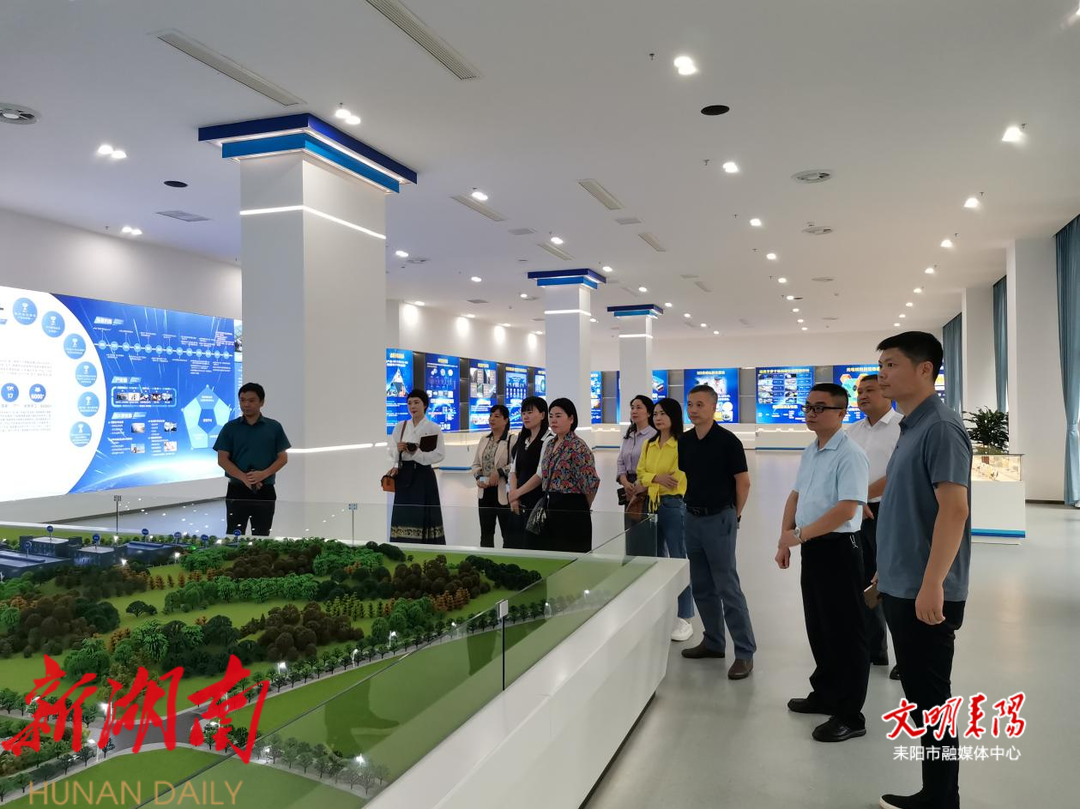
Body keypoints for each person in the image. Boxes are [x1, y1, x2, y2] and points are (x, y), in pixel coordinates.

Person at [874, 332, 972, 809]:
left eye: (891, 364)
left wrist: (932, 583)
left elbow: (954, 509)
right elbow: (907, 507)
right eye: (881, 365)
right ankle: (937, 793)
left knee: (932, 701)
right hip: (903, 582)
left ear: (925, 369)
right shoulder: (911, 426)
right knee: (921, 698)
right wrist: (885, 573)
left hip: (924, 591)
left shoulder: (941, 428)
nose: (882, 374)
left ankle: (941, 798)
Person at [775, 383, 871, 743]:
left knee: (846, 633)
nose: (811, 413)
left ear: (841, 413)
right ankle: (826, 693)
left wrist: (799, 535)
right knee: (819, 626)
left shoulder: (851, 455)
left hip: (840, 549)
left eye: (820, 408)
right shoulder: (811, 451)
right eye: (808, 407)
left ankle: (850, 714)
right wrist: (785, 537)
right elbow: (796, 495)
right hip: (813, 547)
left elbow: (847, 509)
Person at [678, 384, 756, 680]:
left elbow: (743, 482)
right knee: (701, 585)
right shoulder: (685, 441)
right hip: (692, 518)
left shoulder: (728, 441)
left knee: (727, 586)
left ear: (714, 407)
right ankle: (713, 641)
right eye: (690, 404)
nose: (694, 409)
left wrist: (734, 515)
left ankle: (744, 652)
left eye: (700, 404)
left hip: (719, 518)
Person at [846, 373, 902, 675]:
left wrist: (861, 495)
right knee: (864, 581)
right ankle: (874, 649)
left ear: (887, 393)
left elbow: (898, 474)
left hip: (889, 512)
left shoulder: (901, 427)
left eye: (870, 390)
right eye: (859, 391)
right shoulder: (852, 430)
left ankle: (907, 657)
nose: (863, 395)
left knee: (893, 584)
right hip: (857, 513)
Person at [636, 397, 694, 642]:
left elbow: (677, 478)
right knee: (655, 558)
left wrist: (652, 479)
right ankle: (659, 610)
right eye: (656, 414)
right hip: (650, 504)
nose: (658, 418)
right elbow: (640, 473)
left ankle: (685, 617)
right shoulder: (649, 444)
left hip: (672, 505)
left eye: (663, 414)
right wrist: (656, 478)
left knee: (678, 558)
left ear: (674, 416)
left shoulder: (682, 444)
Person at [517, 398, 599, 553]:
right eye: (551, 416)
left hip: (572, 510)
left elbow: (590, 484)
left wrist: (582, 507)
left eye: (558, 416)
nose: (553, 420)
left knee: (571, 556)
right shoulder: (550, 444)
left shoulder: (578, 447)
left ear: (571, 418)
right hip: (550, 507)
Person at [214, 382, 290, 537]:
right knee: (234, 534)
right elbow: (222, 459)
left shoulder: (274, 427)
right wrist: (245, 478)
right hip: (237, 489)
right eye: (242, 400)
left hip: (265, 489)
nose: (246, 404)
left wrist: (263, 474)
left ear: (262, 402)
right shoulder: (230, 428)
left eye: (251, 400)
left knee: (261, 535)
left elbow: (282, 458)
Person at [386, 389, 446, 544]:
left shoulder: (433, 428)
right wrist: (398, 449)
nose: (412, 406)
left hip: (423, 474)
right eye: (409, 403)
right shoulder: (400, 426)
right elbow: (391, 451)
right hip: (404, 474)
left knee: (423, 512)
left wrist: (417, 453)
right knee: (404, 512)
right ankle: (402, 544)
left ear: (425, 405)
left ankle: (427, 547)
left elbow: (440, 454)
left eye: (416, 402)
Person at [617, 394, 658, 555]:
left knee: (645, 533)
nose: (634, 411)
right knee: (630, 531)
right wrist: (624, 481)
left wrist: (640, 485)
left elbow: (654, 465)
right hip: (628, 487)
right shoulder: (629, 435)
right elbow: (620, 461)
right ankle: (631, 562)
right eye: (632, 407)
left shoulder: (654, 435)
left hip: (645, 488)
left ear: (648, 412)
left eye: (639, 407)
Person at [507, 396, 550, 548]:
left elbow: (540, 474)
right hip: (518, 503)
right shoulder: (523, 439)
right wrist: (514, 496)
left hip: (537, 502)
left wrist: (516, 493)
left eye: (530, 412)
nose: (525, 416)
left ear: (542, 415)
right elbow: (513, 470)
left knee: (532, 545)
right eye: (523, 413)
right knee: (515, 544)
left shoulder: (548, 440)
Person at [470, 404, 514, 548]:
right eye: (491, 415)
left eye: (497, 416)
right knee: (486, 533)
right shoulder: (484, 439)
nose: (492, 419)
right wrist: (479, 477)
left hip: (503, 493)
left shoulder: (512, 440)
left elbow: (516, 465)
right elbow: (475, 464)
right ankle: (486, 559)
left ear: (506, 420)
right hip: (485, 493)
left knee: (508, 534)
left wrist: (500, 472)